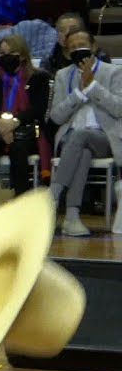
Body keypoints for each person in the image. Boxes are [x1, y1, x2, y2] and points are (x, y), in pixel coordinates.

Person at [47, 28, 122, 236]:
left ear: (94, 47)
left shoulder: (113, 71)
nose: (77, 50)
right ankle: (72, 217)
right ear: (66, 52)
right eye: (72, 47)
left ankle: (53, 194)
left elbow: (118, 108)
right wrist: (79, 93)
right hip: (72, 140)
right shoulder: (63, 75)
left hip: (105, 137)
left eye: (82, 45)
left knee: (82, 136)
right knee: (83, 149)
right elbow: (56, 116)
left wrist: (92, 86)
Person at [0, 33, 49, 219]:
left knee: (19, 152)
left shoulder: (38, 77)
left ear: (22, 55)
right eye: (1, 53)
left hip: (26, 131)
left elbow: (39, 108)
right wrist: (1, 123)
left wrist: (14, 122)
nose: (5, 56)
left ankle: (19, 216)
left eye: (10, 52)